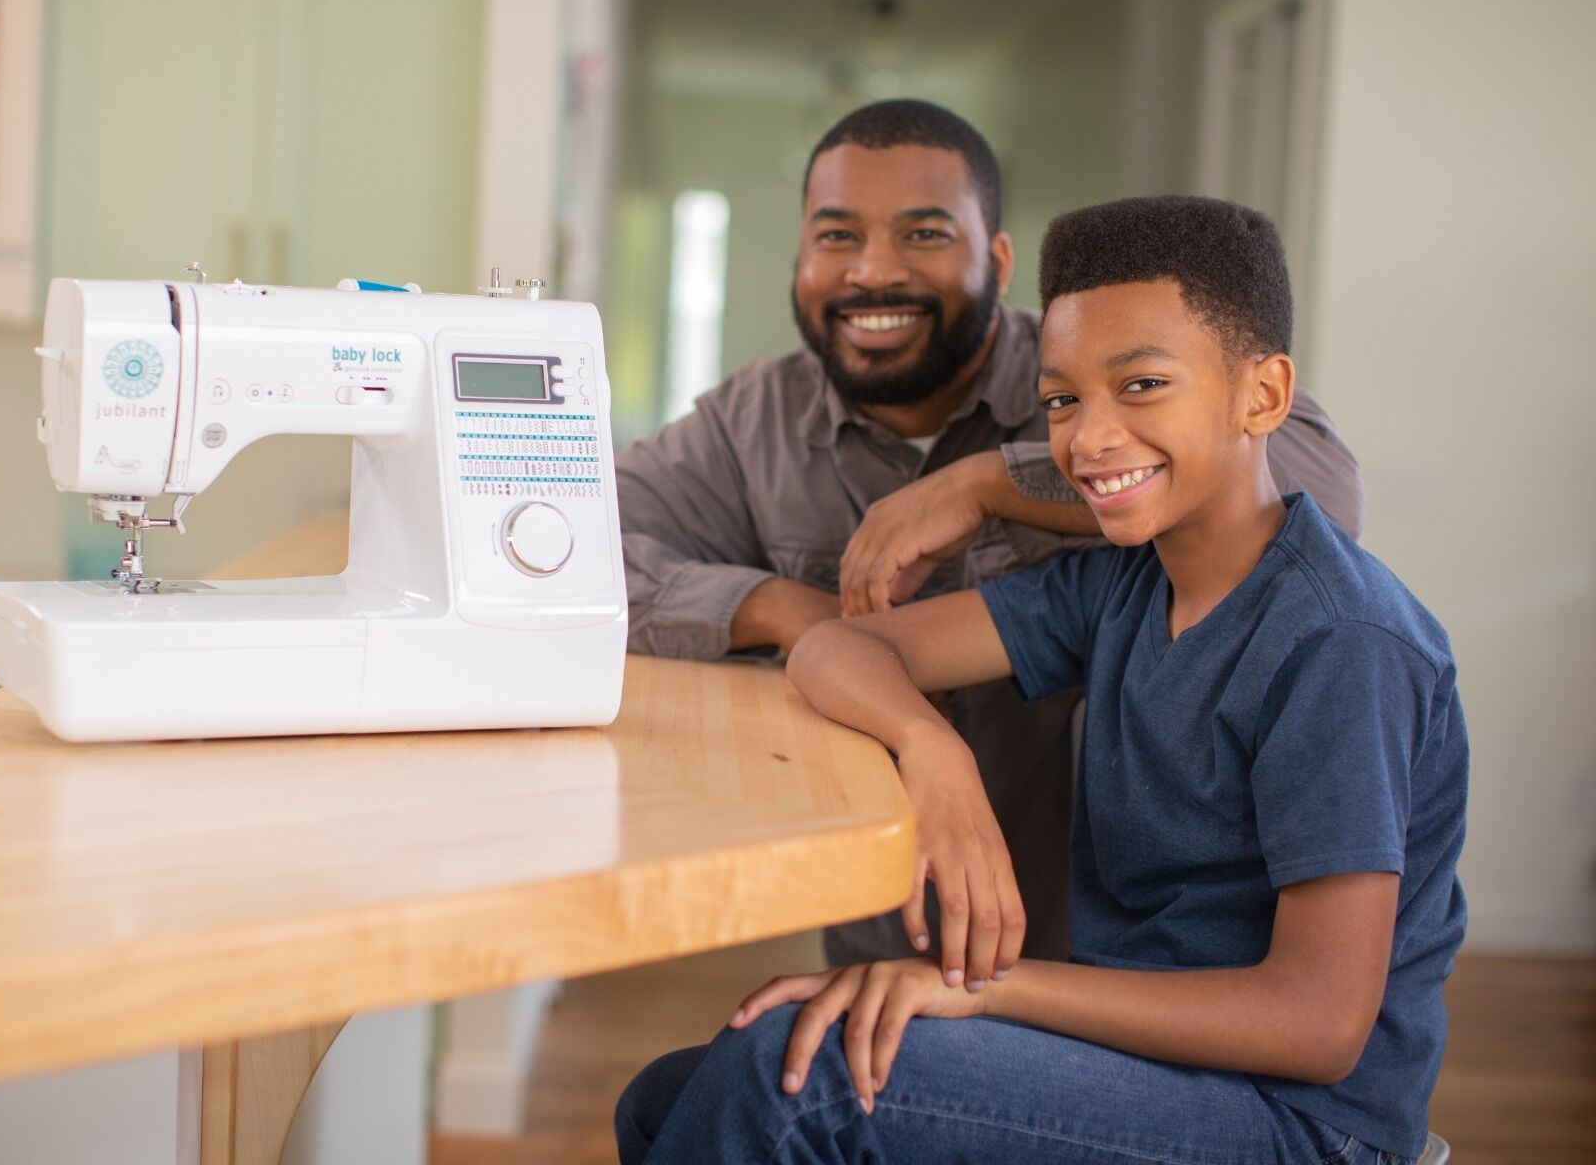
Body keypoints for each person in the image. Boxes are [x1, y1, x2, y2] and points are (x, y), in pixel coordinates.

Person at [615, 196, 1468, 1164]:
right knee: (667, 1099)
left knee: (789, 1086)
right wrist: (932, 751)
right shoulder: (1119, 587)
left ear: (1262, 397)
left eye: (1141, 385)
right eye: (1063, 400)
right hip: (1142, 1058)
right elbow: (838, 650)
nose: (1089, 439)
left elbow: (1317, 1024)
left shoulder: (1342, 641)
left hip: (1301, 1120)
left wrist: (986, 985)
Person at [617, 98, 1365, 974]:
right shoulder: (749, 422)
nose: (872, 272)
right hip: (883, 937)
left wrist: (988, 484)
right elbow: (578, 565)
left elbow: (1316, 485)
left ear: (998, 261)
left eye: (925, 234)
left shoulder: (1085, 374)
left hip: (1108, 960)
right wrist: (786, 608)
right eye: (836, 236)